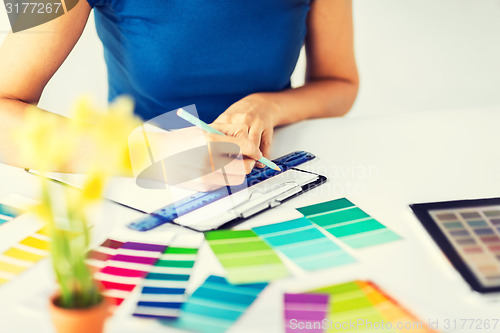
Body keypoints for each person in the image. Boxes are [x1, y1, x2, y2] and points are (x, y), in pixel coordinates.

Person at [0, 0, 358, 178]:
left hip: (270, 170)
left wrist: (268, 106)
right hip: (134, 179)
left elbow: (341, 85)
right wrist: (161, 153)